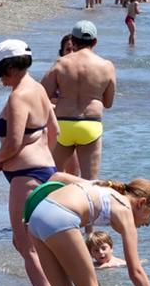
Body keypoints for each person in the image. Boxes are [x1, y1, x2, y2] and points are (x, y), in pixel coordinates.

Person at [0, 40, 58, 286]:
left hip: (26, 175)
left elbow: (13, 142)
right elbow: (56, 132)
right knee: (32, 242)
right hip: (44, 170)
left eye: (0, 71)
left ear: (13, 68)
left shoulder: (18, 97)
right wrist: (41, 154)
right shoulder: (37, 88)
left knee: (27, 245)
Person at [42, 21, 116, 179]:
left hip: (63, 124)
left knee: (53, 177)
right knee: (90, 181)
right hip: (90, 124)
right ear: (95, 42)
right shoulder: (106, 66)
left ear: (73, 42)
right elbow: (108, 103)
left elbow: (42, 94)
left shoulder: (62, 63)